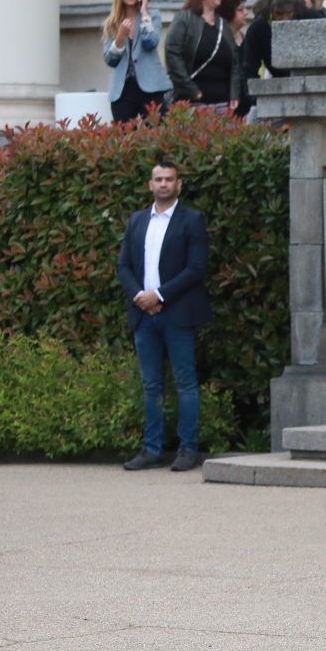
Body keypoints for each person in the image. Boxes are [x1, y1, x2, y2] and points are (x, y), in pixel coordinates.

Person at [116, 160, 212, 473]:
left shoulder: (192, 220)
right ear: (150, 184)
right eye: (158, 179)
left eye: (169, 179)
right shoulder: (136, 220)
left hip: (177, 314)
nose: (163, 184)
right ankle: (152, 449)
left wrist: (158, 296)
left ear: (178, 184)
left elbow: (196, 269)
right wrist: (142, 298)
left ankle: (187, 449)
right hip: (144, 315)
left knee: (185, 383)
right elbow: (124, 266)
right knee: (150, 385)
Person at [163, 0, 239, 112]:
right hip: (193, 105)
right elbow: (172, 55)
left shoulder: (224, 25)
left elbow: (234, 63)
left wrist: (234, 93)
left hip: (223, 105)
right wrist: (191, 90)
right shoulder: (184, 19)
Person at [103, 0, 167, 124]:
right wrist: (120, 38)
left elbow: (151, 42)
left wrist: (144, 13)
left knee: (157, 136)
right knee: (125, 140)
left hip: (151, 87)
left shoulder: (153, 16)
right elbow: (110, 60)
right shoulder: (111, 23)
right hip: (123, 90)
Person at [239, 0, 307, 105]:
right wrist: (256, 100)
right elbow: (249, 69)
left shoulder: (308, 19)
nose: (285, 19)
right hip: (278, 87)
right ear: (270, 11)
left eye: (289, 13)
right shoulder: (258, 29)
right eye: (279, 13)